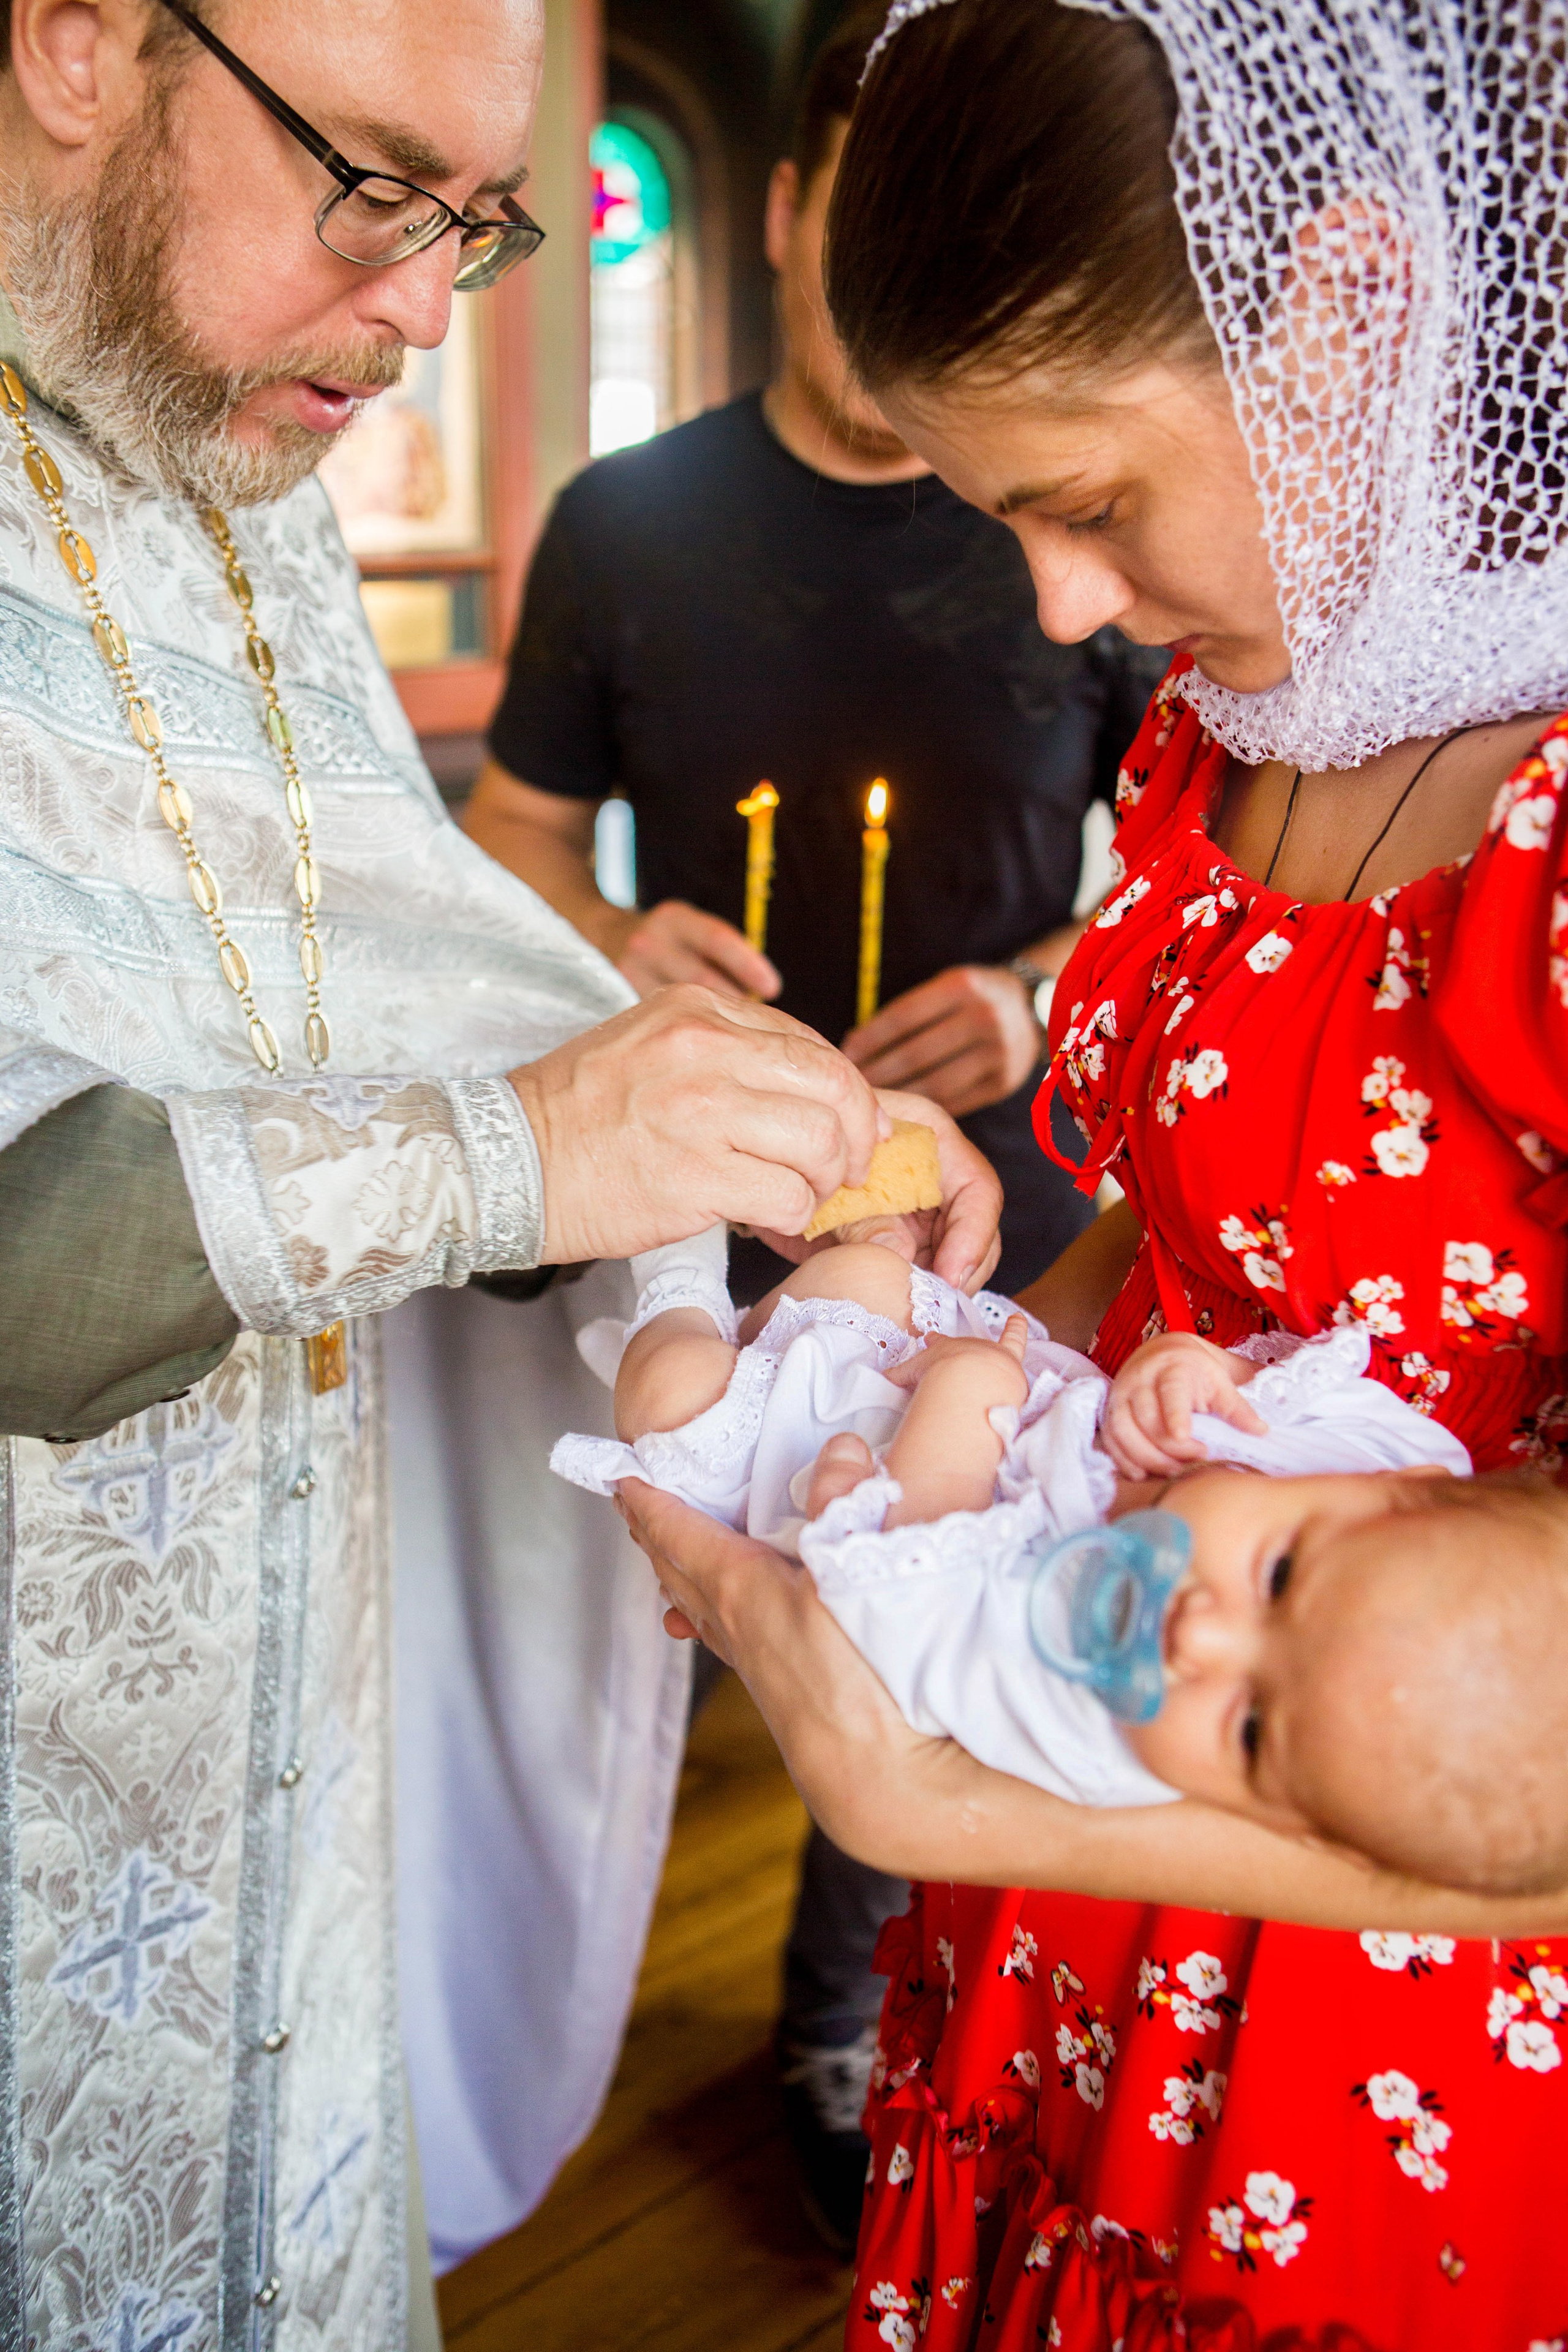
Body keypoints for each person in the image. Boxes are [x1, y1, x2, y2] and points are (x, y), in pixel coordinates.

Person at [0, 0, 1001, 2340]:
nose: (434, 312)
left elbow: (408, 981)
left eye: (483, 221)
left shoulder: (229, 479)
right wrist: (537, 1144)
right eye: (373, 185)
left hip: (291, 1760)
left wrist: (751, 1153)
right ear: (77, 43)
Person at [618, 0, 1568, 2341]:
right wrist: (964, 1335)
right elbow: (1227, 1239)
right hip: (1058, 1865)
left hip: (1373, 2030)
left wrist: (939, 1805)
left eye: (1092, 499)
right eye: (1007, 519)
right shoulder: (1230, 735)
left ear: (1345, 310)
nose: (1060, 602)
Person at [466, 4, 1162, 2239]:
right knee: (684, 1582)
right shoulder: (625, 520)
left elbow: (1179, 870)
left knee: (927, 1600)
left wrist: (1032, 993)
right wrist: (613, 940)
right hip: (696, 1187)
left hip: (987, 1190)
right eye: (871, 236)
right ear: (783, 217)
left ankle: (852, 2014)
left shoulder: (1060, 520)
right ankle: (561, 1990)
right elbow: (514, 831)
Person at [561, 1237, 1567, 1890]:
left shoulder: (1082, 1723)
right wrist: (1198, 1368)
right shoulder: (1393, 1468)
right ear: (1387, 1491)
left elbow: (908, 1586)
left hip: (839, 1478)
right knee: (864, 1273)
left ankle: (674, 1260)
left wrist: (971, 1387)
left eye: (1253, 1728)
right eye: (1278, 1580)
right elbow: (1319, 1397)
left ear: (1281, 1821)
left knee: (670, 1397)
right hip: (968, 1381)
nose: (1199, 1638)